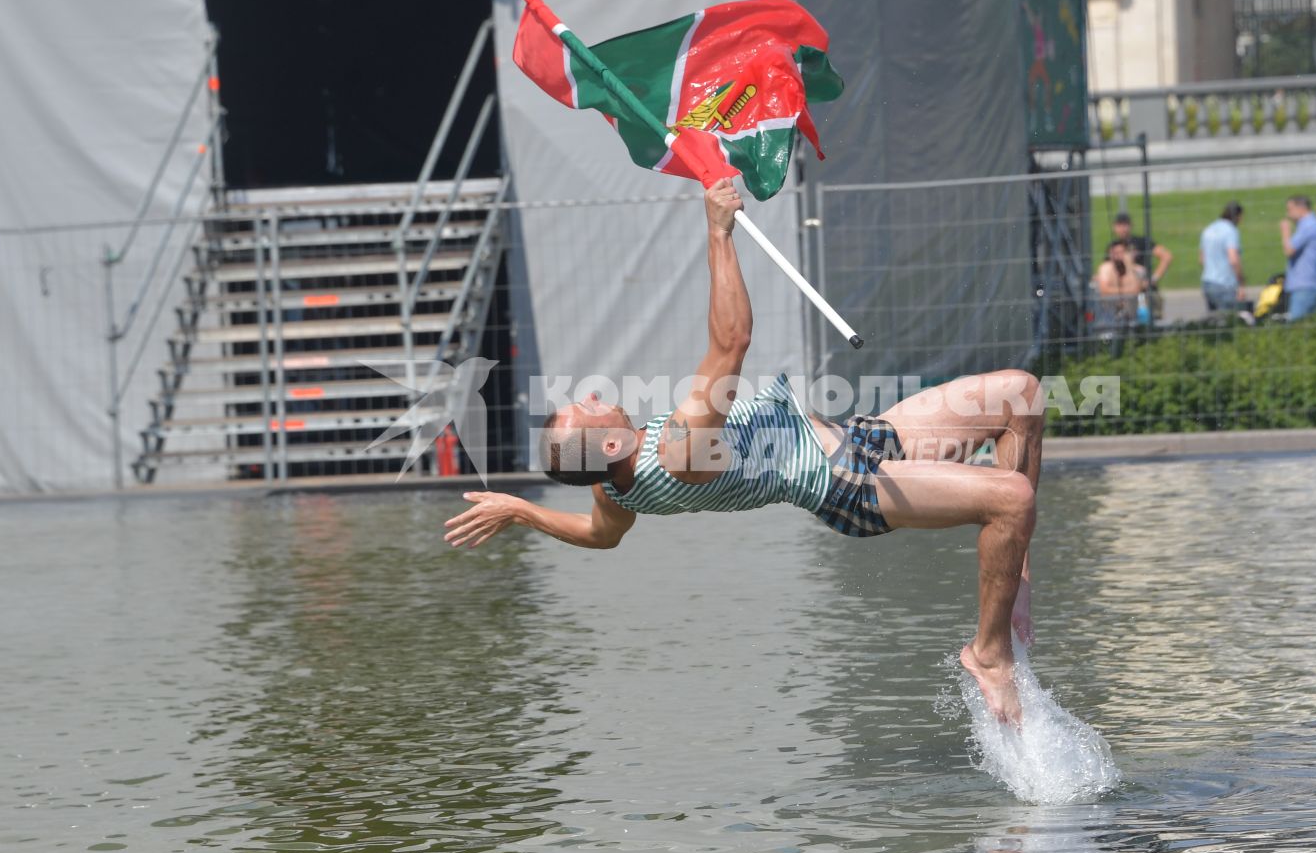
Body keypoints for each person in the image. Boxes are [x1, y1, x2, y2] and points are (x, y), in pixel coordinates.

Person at [443, 179, 1046, 725]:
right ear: (607, 442)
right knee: (1011, 498)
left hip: (854, 436)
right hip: (847, 485)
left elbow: (602, 535)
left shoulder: (610, 481)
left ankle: (1012, 569)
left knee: (1021, 397)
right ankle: (989, 654)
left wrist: (522, 510)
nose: (599, 395)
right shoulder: (680, 450)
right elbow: (732, 342)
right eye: (591, 406)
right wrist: (717, 231)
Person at [1279, 195, 1316, 320]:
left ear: (1301, 208)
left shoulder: (1308, 226)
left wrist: (1285, 232)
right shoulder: (1315, 225)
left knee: (1297, 327)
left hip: (1304, 285)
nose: (1288, 214)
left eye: (1290, 210)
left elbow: (1289, 250)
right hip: (1313, 282)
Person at [1198, 201, 1245, 314]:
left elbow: (1201, 259)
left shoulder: (1208, 229)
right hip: (1225, 284)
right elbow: (1233, 259)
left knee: (1214, 323)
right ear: (1237, 216)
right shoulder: (1231, 231)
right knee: (1228, 320)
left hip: (1207, 281)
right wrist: (1241, 283)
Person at [1093, 239, 1148, 333]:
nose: (1118, 256)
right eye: (1115, 253)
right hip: (1109, 312)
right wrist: (1127, 291)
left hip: (1131, 312)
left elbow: (1135, 290)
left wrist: (1129, 266)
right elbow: (1104, 290)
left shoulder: (1139, 270)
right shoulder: (1106, 268)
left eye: (1122, 252)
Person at [1110, 210, 1172, 290]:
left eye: (1125, 225)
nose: (1122, 229)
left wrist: (1153, 279)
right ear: (1114, 227)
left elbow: (1166, 256)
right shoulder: (1112, 245)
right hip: (1123, 288)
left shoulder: (1141, 241)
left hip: (1142, 286)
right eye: (1119, 225)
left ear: (1131, 226)